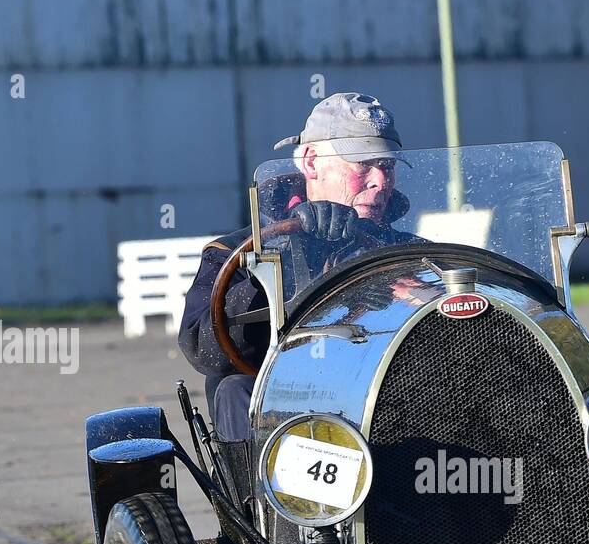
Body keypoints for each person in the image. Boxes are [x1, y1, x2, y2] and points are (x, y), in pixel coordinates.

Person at [178, 92, 420, 439]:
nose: (380, 181)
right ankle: (264, 495)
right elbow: (203, 351)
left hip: (385, 414)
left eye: (388, 166)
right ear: (311, 162)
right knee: (232, 386)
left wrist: (422, 294)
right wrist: (288, 256)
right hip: (286, 423)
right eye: (363, 163)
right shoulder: (233, 253)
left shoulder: (408, 252)